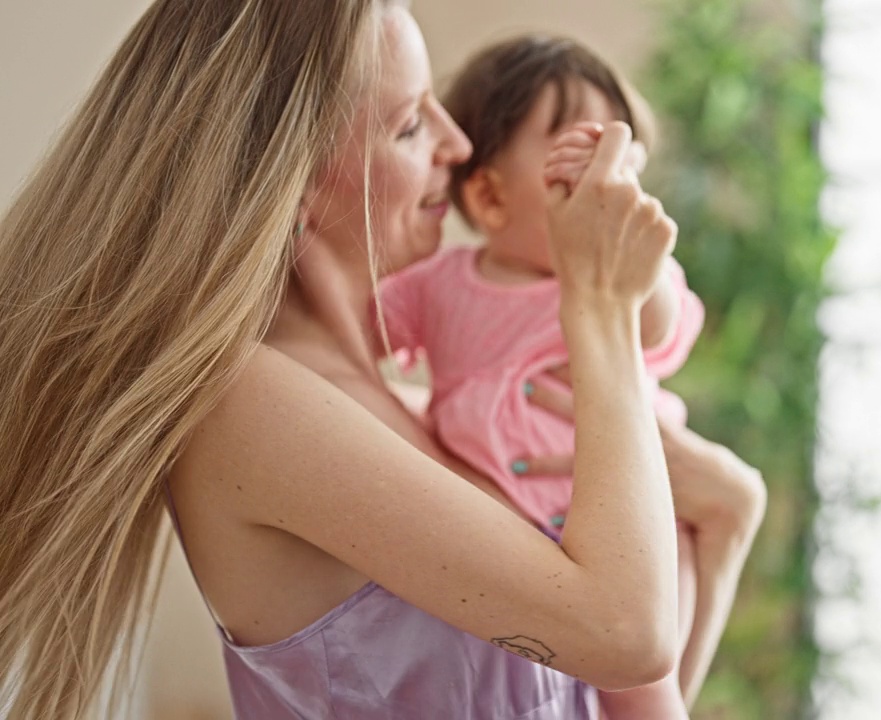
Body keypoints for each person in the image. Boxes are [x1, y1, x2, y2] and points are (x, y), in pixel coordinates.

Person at [0, 2, 766, 719]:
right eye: (408, 125)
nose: (460, 147)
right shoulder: (251, 406)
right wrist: (599, 302)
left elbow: (584, 694)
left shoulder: (398, 396)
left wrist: (727, 526)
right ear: (289, 183)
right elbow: (627, 635)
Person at [377, 35, 702, 718]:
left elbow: (656, 322)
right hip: (513, 557)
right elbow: (358, 325)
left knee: (644, 692)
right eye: (581, 159)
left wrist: (621, 271)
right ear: (490, 197)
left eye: (624, 161)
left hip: (626, 543)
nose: (615, 186)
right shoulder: (439, 286)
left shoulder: (618, 285)